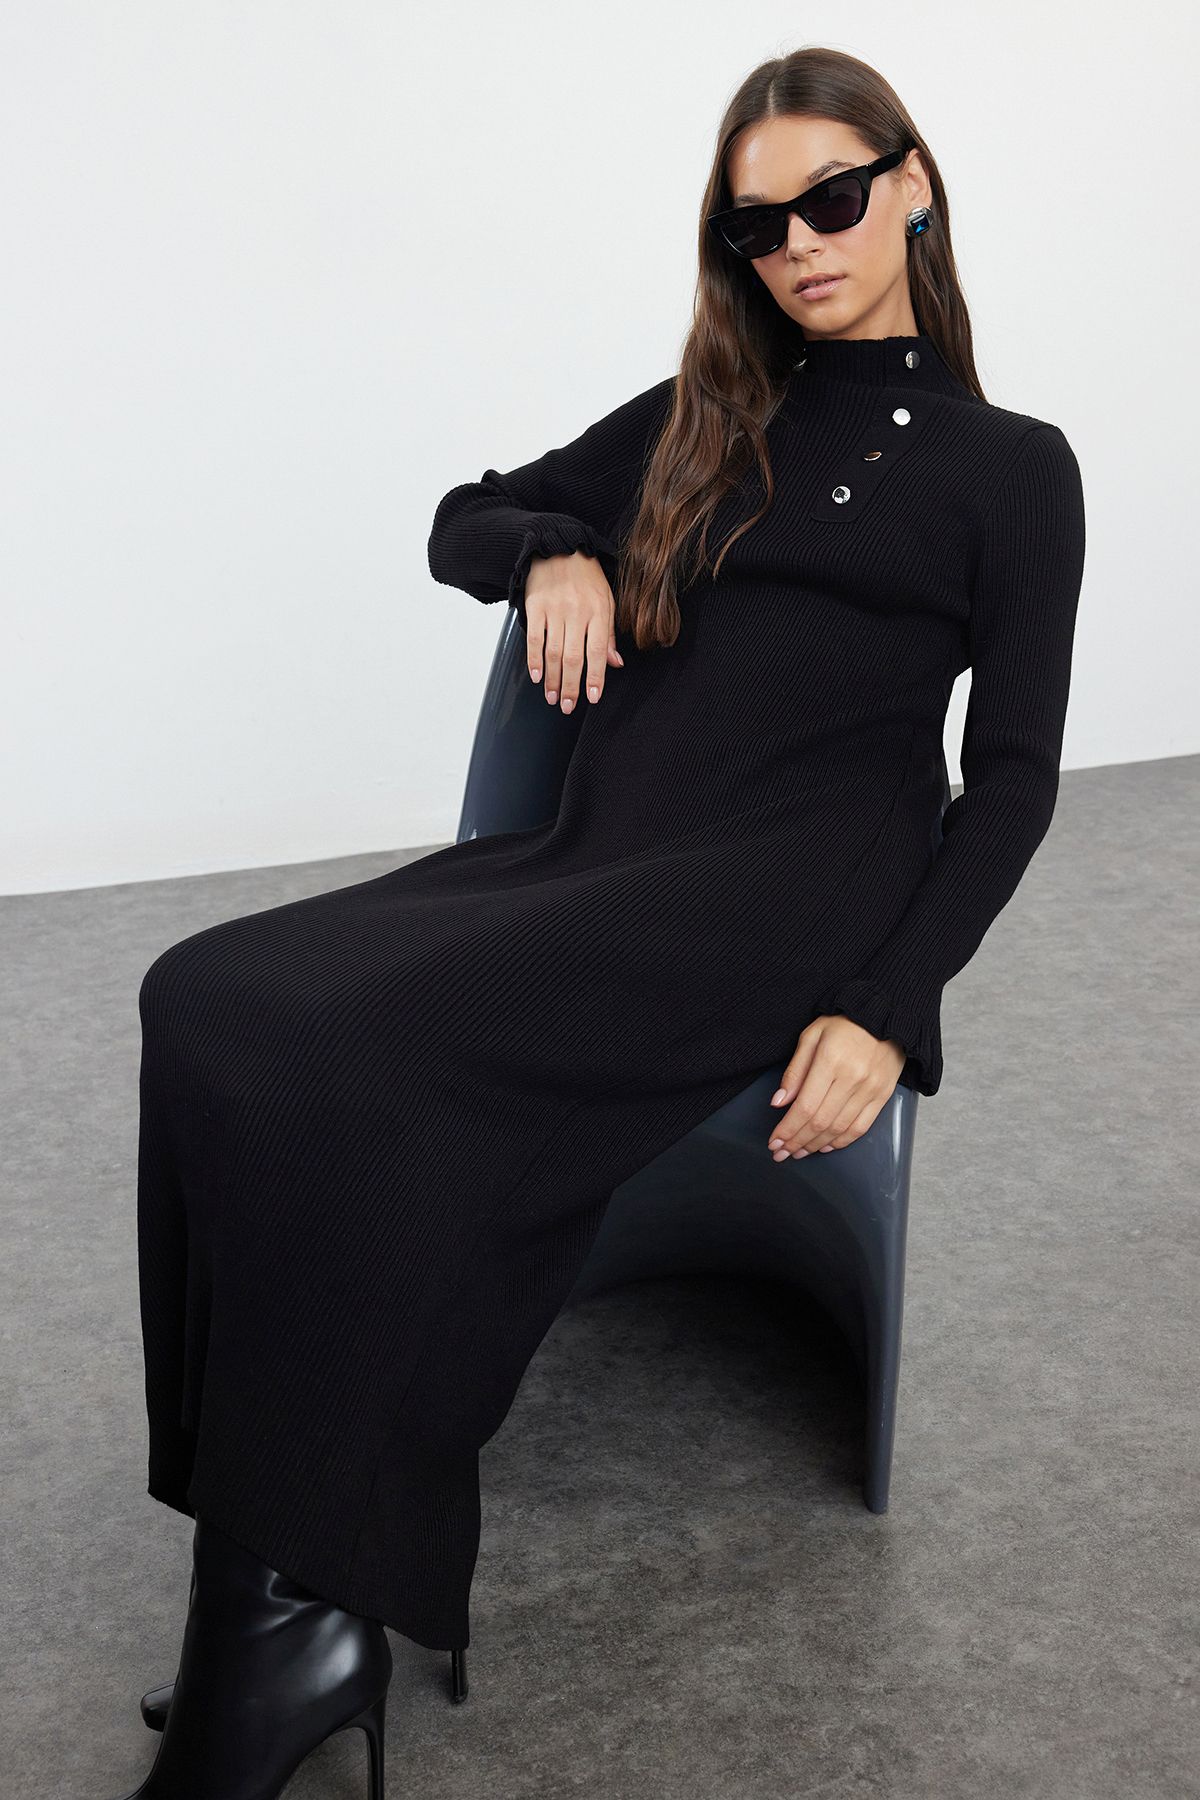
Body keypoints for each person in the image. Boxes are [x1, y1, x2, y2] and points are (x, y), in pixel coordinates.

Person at [108, 44, 1086, 1800]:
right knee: (208, 996)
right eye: (755, 226)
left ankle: (282, 1632)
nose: (798, 245)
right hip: (605, 856)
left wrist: (888, 1004)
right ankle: (278, 1600)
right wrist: (556, 548)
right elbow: (463, 516)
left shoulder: (1016, 470)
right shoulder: (704, 417)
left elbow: (1010, 778)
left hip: (793, 889)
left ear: (915, 184)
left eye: (831, 200)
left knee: (345, 1049)